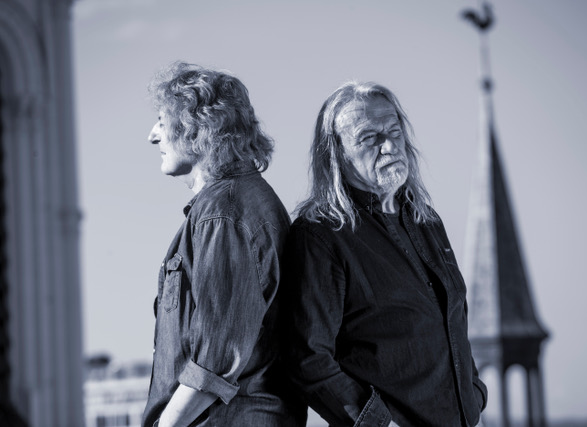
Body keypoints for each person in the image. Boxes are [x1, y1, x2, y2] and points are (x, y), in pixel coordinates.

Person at [283, 81, 488, 426]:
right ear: (336, 154)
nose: (390, 145)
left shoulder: (426, 220)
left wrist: (474, 394)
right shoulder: (320, 234)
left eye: (394, 131)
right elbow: (307, 359)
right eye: (369, 138)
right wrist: (379, 424)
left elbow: (453, 320)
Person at [142, 62, 305, 427]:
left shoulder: (224, 212)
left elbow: (215, 361)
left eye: (162, 121)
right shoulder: (231, 205)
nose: (152, 136)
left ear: (197, 126)